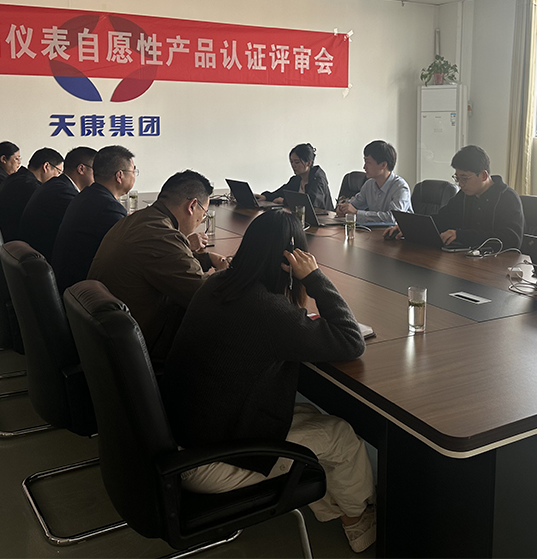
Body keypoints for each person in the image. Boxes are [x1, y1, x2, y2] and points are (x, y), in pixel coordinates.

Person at [165, 209, 376, 553]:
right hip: (209, 462)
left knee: (310, 417)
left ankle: (333, 506)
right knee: (340, 436)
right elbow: (351, 341)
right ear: (289, 260)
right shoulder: (267, 310)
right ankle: (359, 521)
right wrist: (314, 278)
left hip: (181, 438)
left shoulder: (218, 283)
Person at [87, 170, 230, 363]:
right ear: (192, 206)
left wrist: (207, 259)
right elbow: (206, 296)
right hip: (138, 351)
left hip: (104, 340)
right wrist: (226, 274)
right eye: (203, 215)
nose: (200, 222)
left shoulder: (137, 220)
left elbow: (168, 261)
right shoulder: (162, 236)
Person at [384, 145, 525, 249]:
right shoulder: (464, 195)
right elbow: (442, 219)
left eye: (465, 178)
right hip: (467, 260)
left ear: (483, 175)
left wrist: (462, 235)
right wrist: (409, 228)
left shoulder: (507, 198)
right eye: (457, 178)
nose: (460, 184)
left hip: (497, 267)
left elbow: (512, 240)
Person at [50, 145, 134, 294]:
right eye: (133, 171)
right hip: (84, 292)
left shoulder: (87, 196)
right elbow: (131, 251)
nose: (134, 176)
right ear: (119, 176)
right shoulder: (108, 207)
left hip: (69, 285)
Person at [18, 146, 96, 260]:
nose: (100, 175)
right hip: (45, 260)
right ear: (81, 169)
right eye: (96, 171)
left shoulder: (56, 185)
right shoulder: (64, 193)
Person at [0, 147, 63, 242]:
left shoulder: (18, 177)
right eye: (58, 172)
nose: (57, 177)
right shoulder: (31, 187)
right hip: (13, 242)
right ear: (46, 166)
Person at [335, 140, 412, 226]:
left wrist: (357, 213)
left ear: (383, 165)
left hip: (397, 234)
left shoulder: (400, 188)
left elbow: (393, 218)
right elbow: (354, 204)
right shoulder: (369, 184)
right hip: (374, 232)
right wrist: (343, 208)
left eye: (368, 162)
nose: (364, 167)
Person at [258, 143, 334, 211]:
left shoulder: (318, 179)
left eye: (297, 162)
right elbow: (281, 192)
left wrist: (284, 201)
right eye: (291, 162)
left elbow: (312, 203)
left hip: (322, 220)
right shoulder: (297, 179)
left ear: (309, 163)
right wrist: (265, 197)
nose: (293, 165)